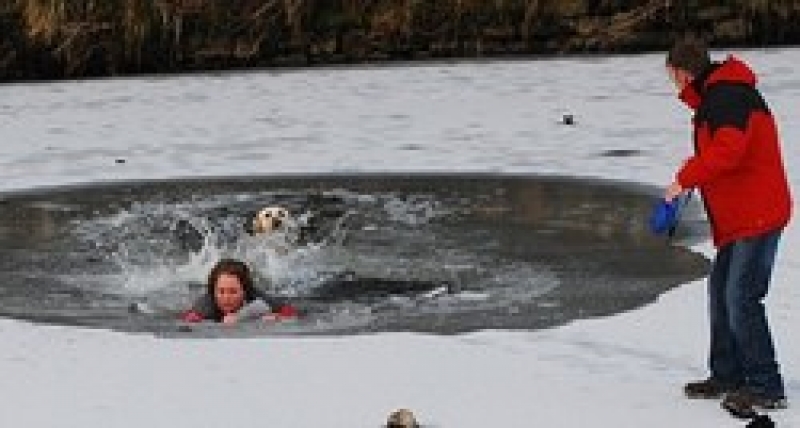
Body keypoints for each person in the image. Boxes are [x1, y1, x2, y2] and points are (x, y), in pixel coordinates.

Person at [663, 36, 791, 417]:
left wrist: (684, 179)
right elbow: (721, 151)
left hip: (759, 213)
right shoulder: (718, 98)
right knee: (721, 290)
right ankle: (727, 375)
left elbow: (728, 152)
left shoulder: (728, 97)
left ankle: (766, 386)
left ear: (681, 73)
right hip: (742, 215)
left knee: (741, 296)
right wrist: (693, 174)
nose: (673, 84)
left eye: (672, 76)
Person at [181, 258, 298, 325]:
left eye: (233, 291)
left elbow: (291, 312)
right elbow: (187, 322)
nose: (226, 298)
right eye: (221, 291)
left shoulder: (256, 297)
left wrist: (277, 317)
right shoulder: (205, 306)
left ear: (245, 291)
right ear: (213, 291)